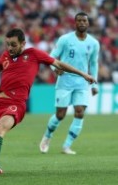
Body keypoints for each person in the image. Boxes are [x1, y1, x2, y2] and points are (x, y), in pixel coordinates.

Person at [0, 28, 96, 178]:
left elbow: (58, 64)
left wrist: (83, 74)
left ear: (23, 43)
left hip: (16, 103)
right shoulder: (6, 56)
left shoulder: (34, 54)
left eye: (13, 45)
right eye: (8, 45)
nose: (10, 48)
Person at [39, 12, 100, 155]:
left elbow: (93, 63)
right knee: (60, 115)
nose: (82, 23)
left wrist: (94, 84)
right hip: (65, 80)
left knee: (80, 112)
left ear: (88, 23)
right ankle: (47, 136)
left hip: (82, 83)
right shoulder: (65, 39)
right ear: (75, 23)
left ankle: (66, 146)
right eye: (79, 21)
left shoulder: (93, 43)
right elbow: (52, 57)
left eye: (84, 20)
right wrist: (55, 68)